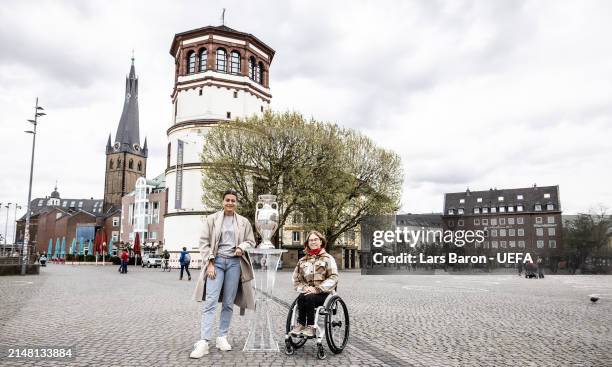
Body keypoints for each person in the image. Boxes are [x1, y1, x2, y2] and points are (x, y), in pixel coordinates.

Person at [190, 189, 256, 359]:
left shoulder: (243, 222)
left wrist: (242, 246)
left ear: (236, 203)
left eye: (233, 200)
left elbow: (251, 240)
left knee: (228, 302)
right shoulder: (212, 219)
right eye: (227, 200)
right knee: (211, 301)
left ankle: (222, 337)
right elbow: (203, 243)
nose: (230, 203)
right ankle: (204, 341)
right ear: (222, 201)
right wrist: (210, 263)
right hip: (216, 262)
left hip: (235, 263)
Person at [291, 230, 339, 338]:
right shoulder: (302, 260)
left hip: (324, 293)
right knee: (302, 297)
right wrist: (305, 288)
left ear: (321, 242)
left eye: (316, 239)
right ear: (307, 243)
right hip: (307, 291)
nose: (313, 242)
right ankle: (301, 324)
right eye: (310, 240)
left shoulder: (328, 258)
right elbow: (296, 278)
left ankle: (311, 327)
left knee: (309, 297)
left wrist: (318, 288)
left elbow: (334, 277)